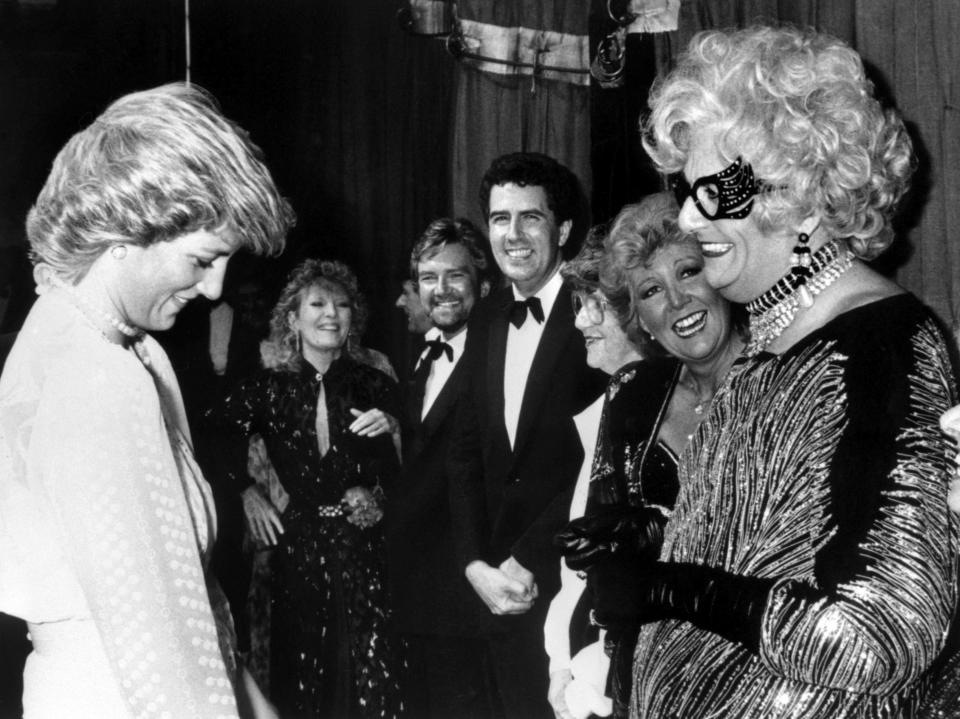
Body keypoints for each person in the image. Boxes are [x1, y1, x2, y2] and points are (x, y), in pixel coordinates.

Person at [586, 26, 959, 718]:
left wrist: (678, 587)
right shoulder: (767, 345)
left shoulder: (884, 345)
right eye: (687, 190)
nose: (691, 218)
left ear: (802, 186)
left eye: (715, 190)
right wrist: (659, 531)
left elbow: (879, 632)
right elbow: (776, 550)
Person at [0, 82, 293, 718]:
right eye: (202, 260)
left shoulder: (92, 337)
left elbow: (180, 593)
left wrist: (250, 699)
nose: (216, 289)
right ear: (125, 233)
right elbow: (158, 654)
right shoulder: (99, 376)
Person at [547, 195, 742, 719]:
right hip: (654, 673)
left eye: (689, 271)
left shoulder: (776, 380)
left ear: (723, 277)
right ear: (640, 319)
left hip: (759, 668)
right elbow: (602, 556)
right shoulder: (632, 391)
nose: (677, 301)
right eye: (652, 290)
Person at [205, 258, 404, 719]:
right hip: (296, 547)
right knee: (301, 675)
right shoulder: (267, 387)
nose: (331, 313)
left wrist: (378, 491)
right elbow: (214, 435)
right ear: (292, 319)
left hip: (365, 549)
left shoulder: (376, 382)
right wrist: (246, 492)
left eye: (342, 304)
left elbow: (410, 465)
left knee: (368, 672)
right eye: (317, 303)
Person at [448, 152, 607, 719]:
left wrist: (531, 557)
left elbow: (602, 459)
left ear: (563, 229)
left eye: (529, 218)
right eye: (498, 218)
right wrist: (474, 563)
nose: (511, 235)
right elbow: (464, 451)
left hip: (572, 583)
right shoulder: (487, 317)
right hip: (494, 590)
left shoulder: (599, 309)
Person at [387, 217, 496, 719]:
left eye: (455, 276)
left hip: (469, 594)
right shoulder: (423, 356)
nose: (441, 290)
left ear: (483, 283)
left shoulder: (497, 355)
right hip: (418, 592)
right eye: (429, 278)